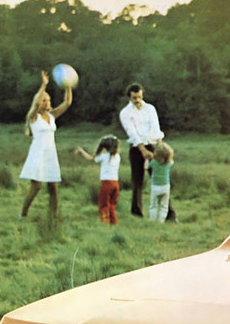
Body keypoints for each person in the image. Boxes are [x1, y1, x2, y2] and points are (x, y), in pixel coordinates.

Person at [19, 70, 72, 223]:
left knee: (53, 187)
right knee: (36, 187)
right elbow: (35, 103)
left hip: (50, 154)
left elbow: (67, 103)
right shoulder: (33, 117)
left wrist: (68, 85)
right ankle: (23, 214)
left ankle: (54, 217)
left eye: (48, 100)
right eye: (44, 100)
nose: (46, 102)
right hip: (37, 153)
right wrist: (44, 85)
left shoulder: (52, 116)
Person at [119, 83, 174, 220]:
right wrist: (142, 149)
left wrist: (160, 148)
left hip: (153, 145)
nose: (137, 100)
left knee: (160, 179)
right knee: (137, 180)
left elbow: (156, 127)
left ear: (142, 94)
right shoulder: (125, 113)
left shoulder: (150, 109)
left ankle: (169, 214)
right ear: (129, 97)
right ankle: (136, 213)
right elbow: (131, 132)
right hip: (137, 147)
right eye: (134, 98)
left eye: (139, 97)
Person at [74, 135, 121, 225]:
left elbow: (91, 159)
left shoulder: (104, 157)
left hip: (106, 183)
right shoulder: (117, 157)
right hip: (116, 183)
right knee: (112, 205)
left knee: (104, 204)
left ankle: (105, 223)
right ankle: (114, 222)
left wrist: (82, 151)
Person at [149, 141, 174, 223]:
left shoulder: (153, 163)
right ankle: (161, 221)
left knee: (154, 205)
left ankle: (153, 220)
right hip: (165, 187)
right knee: (164, 206)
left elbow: (146, 167)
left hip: (155, 187)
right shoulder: (169, 163)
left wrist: (147, 160)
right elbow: (172, 161)